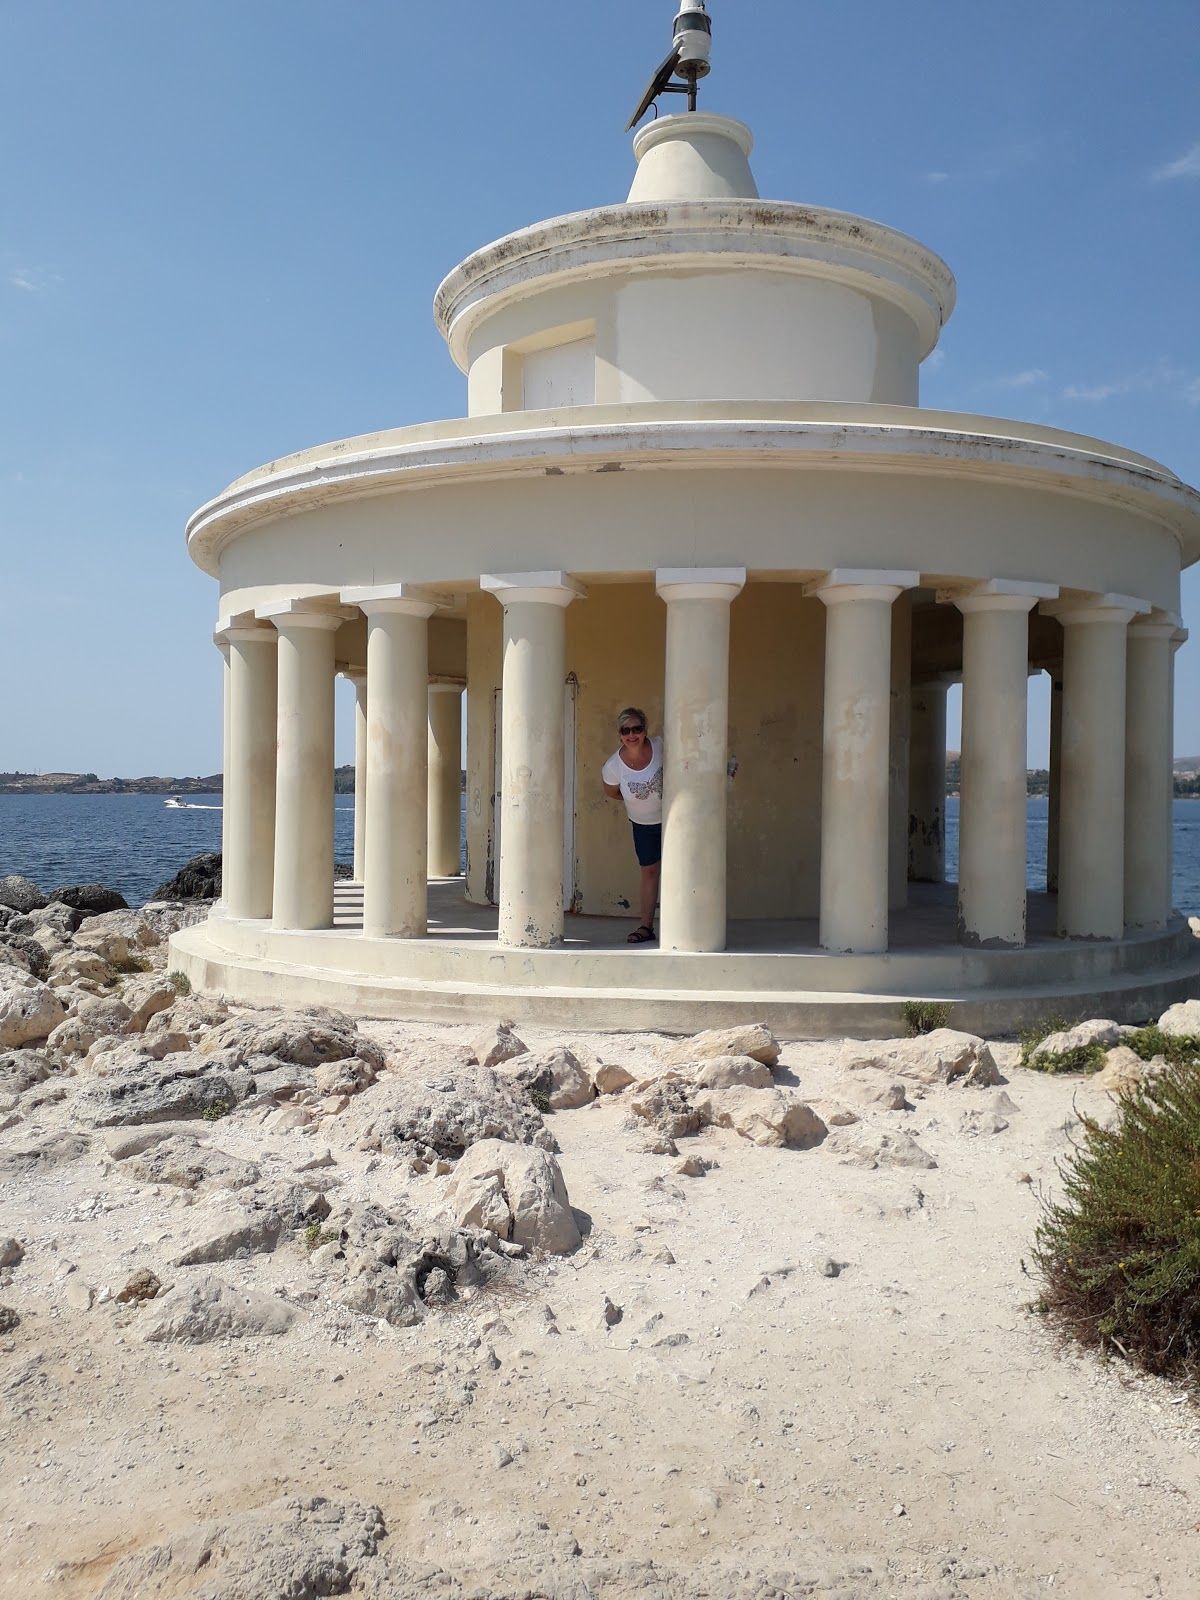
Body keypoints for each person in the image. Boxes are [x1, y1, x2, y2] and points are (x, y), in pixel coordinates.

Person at [601, 707, 663, 944]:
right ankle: (646, 927)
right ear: (620, 735)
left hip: (673, 819)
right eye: (626, 730)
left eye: (637, 728)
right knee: (649, 872)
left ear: (645, 730)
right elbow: (612, 791)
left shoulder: (660, 747)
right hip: (644, 825)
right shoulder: (613, 766)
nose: (631, 734)